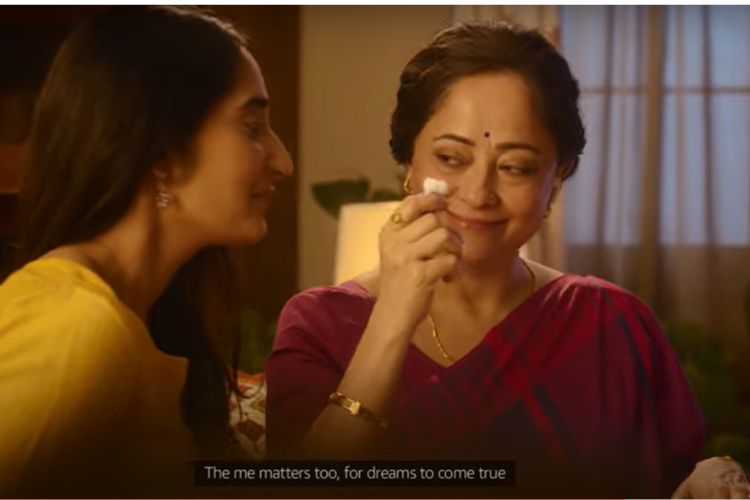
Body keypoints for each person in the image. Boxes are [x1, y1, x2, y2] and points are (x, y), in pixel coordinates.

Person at [266, 20, 706, 498]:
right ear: (410, 162)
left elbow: (678, 480)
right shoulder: (319, 325)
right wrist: (393, 315)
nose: (478, 194)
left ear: (557, 178)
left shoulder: (611, 324)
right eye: (451, 159)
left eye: (515, 167)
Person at [0, 6, 292, 496]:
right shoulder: (77, 328)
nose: (283, 161)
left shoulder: (150, 318)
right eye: (251, 126)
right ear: (162, 155)